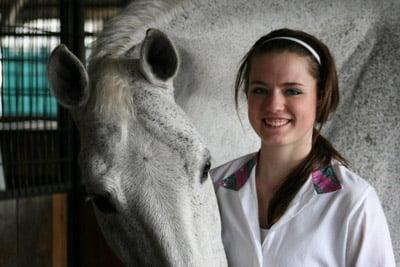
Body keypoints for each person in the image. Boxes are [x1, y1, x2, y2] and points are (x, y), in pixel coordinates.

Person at [211, 28, 395, 267]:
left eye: (292, 91)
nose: (274, 104)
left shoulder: (353, 201)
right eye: (260, 90)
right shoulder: (214, 189)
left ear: (320, 97)